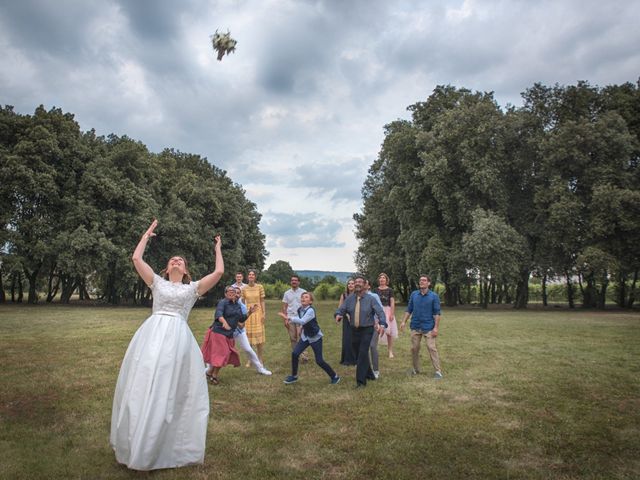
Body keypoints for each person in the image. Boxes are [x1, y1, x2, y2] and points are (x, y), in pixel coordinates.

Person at [111, 219, 224, 471]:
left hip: (178, 338)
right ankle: (137, 438)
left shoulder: (193, 289)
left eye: (180, 261)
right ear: (166, 268)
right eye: (173, 259)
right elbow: (136, 260)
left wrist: (218, 249)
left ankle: (164, 442)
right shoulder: (156, 283)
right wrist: (146, 236)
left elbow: (217, 274)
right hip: (152, 335)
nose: (176, 261)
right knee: (145, 379)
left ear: (185, 271)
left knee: (169, 384)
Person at [335, 275, 387, 388]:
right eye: (356, 282)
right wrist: (338, 314)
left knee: (363, 353)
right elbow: (342, 309)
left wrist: (382, 323)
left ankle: (361, 382)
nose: (357, 283)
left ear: (365, 285)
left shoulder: (371, 299)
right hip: (354, 330)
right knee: (359, 354)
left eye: (360, 282)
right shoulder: (349, 299)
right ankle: (370, 375)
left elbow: (380, 312)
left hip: (367, 329)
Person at [279, 292, 340, 385]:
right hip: (305, 336)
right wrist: (300, 329)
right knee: (295, 354)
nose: (303, 298)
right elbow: (301, 321)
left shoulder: (311, 310)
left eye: (306, 297)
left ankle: (334, 376)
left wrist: (288, 318)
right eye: (302, 297)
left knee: (319, 361)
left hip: (315, 337)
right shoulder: (300, 309)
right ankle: (294, 376)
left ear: (310, 301)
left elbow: (303, 320)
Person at [201, 286, 256, 384]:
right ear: (225, 294)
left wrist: (250, 312)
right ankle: (213, 375)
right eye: (229, 291)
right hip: (219, 332)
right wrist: (224, 322)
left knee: (223, 355)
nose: (231, 293)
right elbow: (218, 314)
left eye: (233, 291)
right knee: (223, 354)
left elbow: (241, 319)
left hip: (229, 334)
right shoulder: (223, 302)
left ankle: (210, 372)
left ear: (235, 294)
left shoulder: (237, 306)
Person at [400, 275, 443, 379]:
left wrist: (436, 328)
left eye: (424, 280)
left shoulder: (434, 296)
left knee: (431, 348)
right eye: (420, 280)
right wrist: (403, 321)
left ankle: (438, 371)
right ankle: (415, 369)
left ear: (429, 283)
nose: (421, 282)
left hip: (429, 327)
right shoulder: (414, 295)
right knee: (414, 348)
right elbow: (409, 309)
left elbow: (437, 313)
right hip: (415, 326)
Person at [231, 286, 272, 376]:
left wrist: (233, 319)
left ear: (241, 295)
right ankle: (208, 369)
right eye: (235, 293)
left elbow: (241, 326)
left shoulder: (242, 307)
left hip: (239, 332)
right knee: (221, 351)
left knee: (248, 349)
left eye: (238, 293)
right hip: (227, 332)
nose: (236, 295)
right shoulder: (225, 303)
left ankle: (260, 368)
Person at [241, 269, 266, 366]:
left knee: (259, 337)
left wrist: (264, 313)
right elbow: (242, 302)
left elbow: (262, 301)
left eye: (253, 275)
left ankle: (260, 358)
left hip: (258, 313)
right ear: (247, 277)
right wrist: (244, 314)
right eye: (249, 275)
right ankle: (250, 359)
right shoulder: (244, 288)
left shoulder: (260, 287)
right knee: (248, 337)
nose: (251, 276)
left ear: (255, 277)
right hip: (248, 314)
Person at [281, 275, 308, 363]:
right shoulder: (287, 293)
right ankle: (296, 355)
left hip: (301, 318)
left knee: (302, 337)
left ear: (299, 282)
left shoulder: (303, 292)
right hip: (291, 318)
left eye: (296, 280)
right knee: (293, 338)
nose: (294, 282)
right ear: (290, 282)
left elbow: (307, 306)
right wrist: (285, 319)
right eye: (292, 280)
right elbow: (284, 307)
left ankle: (304, 356)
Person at [364, 279, 384, 380]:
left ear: (369, 286)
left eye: (366, 284)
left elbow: (380, 310)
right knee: (364, 348)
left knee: (372, 346)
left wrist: (379, 323)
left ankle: (376, 370)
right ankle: (367, 370)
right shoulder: (358, 297)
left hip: (374, 325)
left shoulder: (374, 296)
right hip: (363, 327)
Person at [375, 273, 397, 358]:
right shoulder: (376, 290)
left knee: (389, 332)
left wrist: (392, 313)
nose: (382, 279)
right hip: (378, 311)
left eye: (383, 278)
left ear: (386, 280)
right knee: (376, 331)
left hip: (387, 311)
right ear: (379, 280)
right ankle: (374, 349)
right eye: (380, 278)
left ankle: (390, 351)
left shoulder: (390, 290)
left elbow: (392, 302)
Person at [337, 279, 357, 366]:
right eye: (349, 283)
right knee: (347, 339)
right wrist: (342, 315)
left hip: (356, 319)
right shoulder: (344, 295)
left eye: (352, 284)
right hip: (346, 319)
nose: (351, 285)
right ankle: (347, 359)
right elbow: (340, 308)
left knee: (355, 339)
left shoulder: (358, 295)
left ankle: (355, 359)